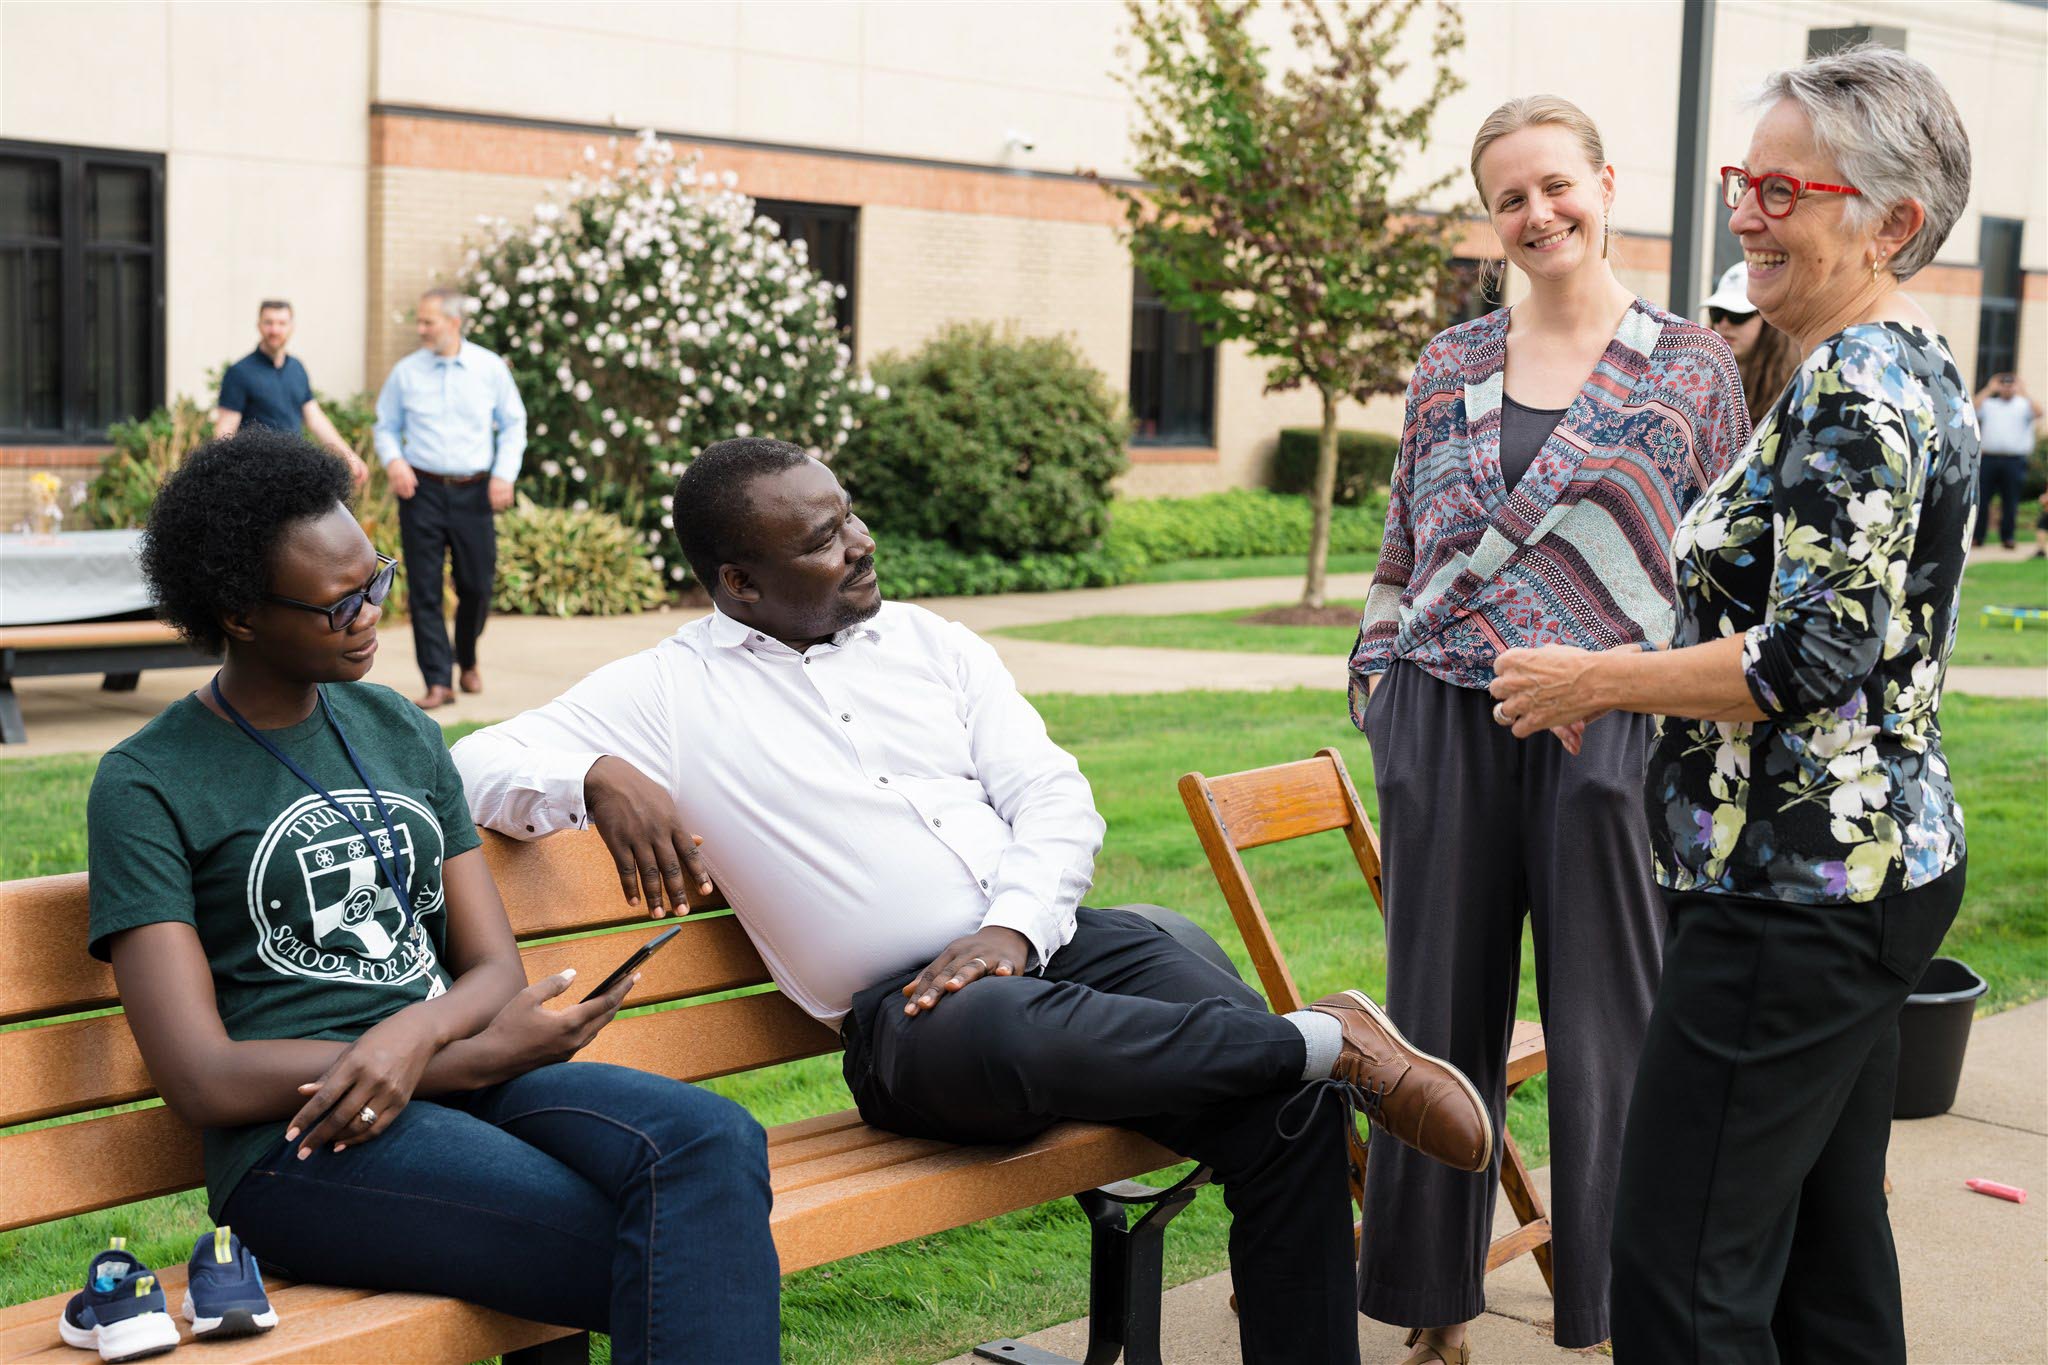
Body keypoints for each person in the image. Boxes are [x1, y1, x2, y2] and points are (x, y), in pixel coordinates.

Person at [451, 437, 1496, 1365]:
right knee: (991, 1022)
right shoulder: (668, 695)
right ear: (740, 582)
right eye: (822, 538)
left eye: (848, 514)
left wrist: (1011, 926)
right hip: (913, 1027)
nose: (859, 542)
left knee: (1281, 1107)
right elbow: (471, 765)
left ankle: (1309, 1060)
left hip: (1054, 944)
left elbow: (1051, 796)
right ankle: (1324, 1041)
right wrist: (593, 771)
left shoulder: (931, 645)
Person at [88, 427, 779, 1364]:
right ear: (242, 614)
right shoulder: (148, 781)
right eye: (342, 603)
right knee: (650, 1233)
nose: (376, 610)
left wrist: (418, 1037)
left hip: (465, 1075)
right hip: (306, 1144)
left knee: (710, 1141)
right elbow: (201, 1075)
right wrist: (443, 1058)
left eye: (374, 576)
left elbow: (494, 966)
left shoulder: (399, 728)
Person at [1489, 44, 1976, 1363]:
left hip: (1794, 894)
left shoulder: (1852, 390)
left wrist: (1595, 678)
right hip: (1867, 876)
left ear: (1891, 222)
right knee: (1826, 1253)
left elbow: (1808, 660)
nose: (1745, 213)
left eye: (1781, 187)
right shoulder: (1901, 363)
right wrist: (1649, 675)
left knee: (1682, 1271)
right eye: (1738, 180)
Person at [1348, 96, 1750, 1363]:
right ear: (1489, 218)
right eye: (1508, 197)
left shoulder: (1690, 366)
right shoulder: (1450, 362)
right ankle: (1428, 1309)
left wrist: (1644, 695)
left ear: (1604, 183)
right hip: (1442, 721)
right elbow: (1406, 539)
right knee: (1432, 1019)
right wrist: (1378, 682)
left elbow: (1722, 570)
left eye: (1554, 186)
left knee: (1608, 1029)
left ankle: (1624, 1313)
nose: (1536, 214)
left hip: (1606, 729)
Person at [373, 287, 525, 711]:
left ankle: (468, 656)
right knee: (424, 589)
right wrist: (395, 462)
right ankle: (439, 681)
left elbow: (513, 423)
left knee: (477, 585)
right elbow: (385, 426)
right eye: (419, 321)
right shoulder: (406, 373)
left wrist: (503, 474)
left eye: (428, 322)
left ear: (454, 323)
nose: (420, 329)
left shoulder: (488, 368)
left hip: (474, 491)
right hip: (420, 490)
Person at [214, 299, 369, 485]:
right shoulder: (239, 372)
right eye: (268, 322)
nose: (275, 330)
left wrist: (349, 456)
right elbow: (225, 429)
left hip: (295, 474)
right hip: (255, 479)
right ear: (259, 325)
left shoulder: (297, 368)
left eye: (281, 323)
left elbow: (315, 419)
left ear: (291, 327)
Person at [1702, 262, 1801, 426]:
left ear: (1768, 321)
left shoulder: (1793, 395)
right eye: (1717, 313)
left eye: (1737, 315)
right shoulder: (1699, 384)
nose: (1724, 324)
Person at [1973, 371, 2039, 550]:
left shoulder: (2023, 405)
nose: (2007, 387)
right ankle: (1978, 537)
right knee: (1982, 499)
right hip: (1989, 459)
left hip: (2014, 461)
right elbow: (1971, 408)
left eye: (2010, 384)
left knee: (2010, 501)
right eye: (2004, 384)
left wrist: (2023, 390)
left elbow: (2039, 413)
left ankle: (2008, 537)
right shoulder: (1989, 404)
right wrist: (1988, 388)